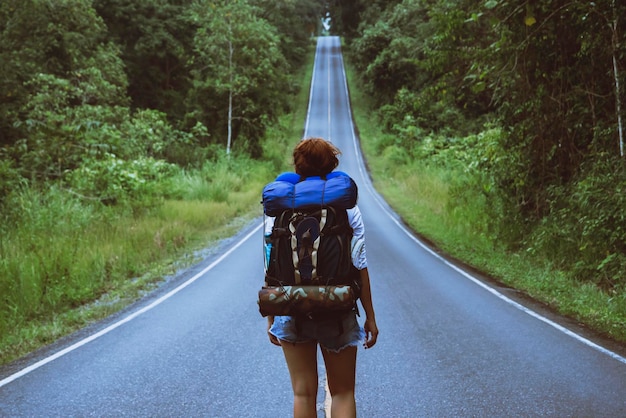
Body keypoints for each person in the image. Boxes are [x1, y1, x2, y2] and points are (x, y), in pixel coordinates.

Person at [266, 137, 379, 418]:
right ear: (332, 166)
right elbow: (359, 263)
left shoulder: (279, 209)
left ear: (298, 166)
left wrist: (272, 315)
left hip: (291, 307)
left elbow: (271, 263)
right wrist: (370, 317)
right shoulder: (347, 209)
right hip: (337, 308)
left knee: (303, 393)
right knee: (342, 392)